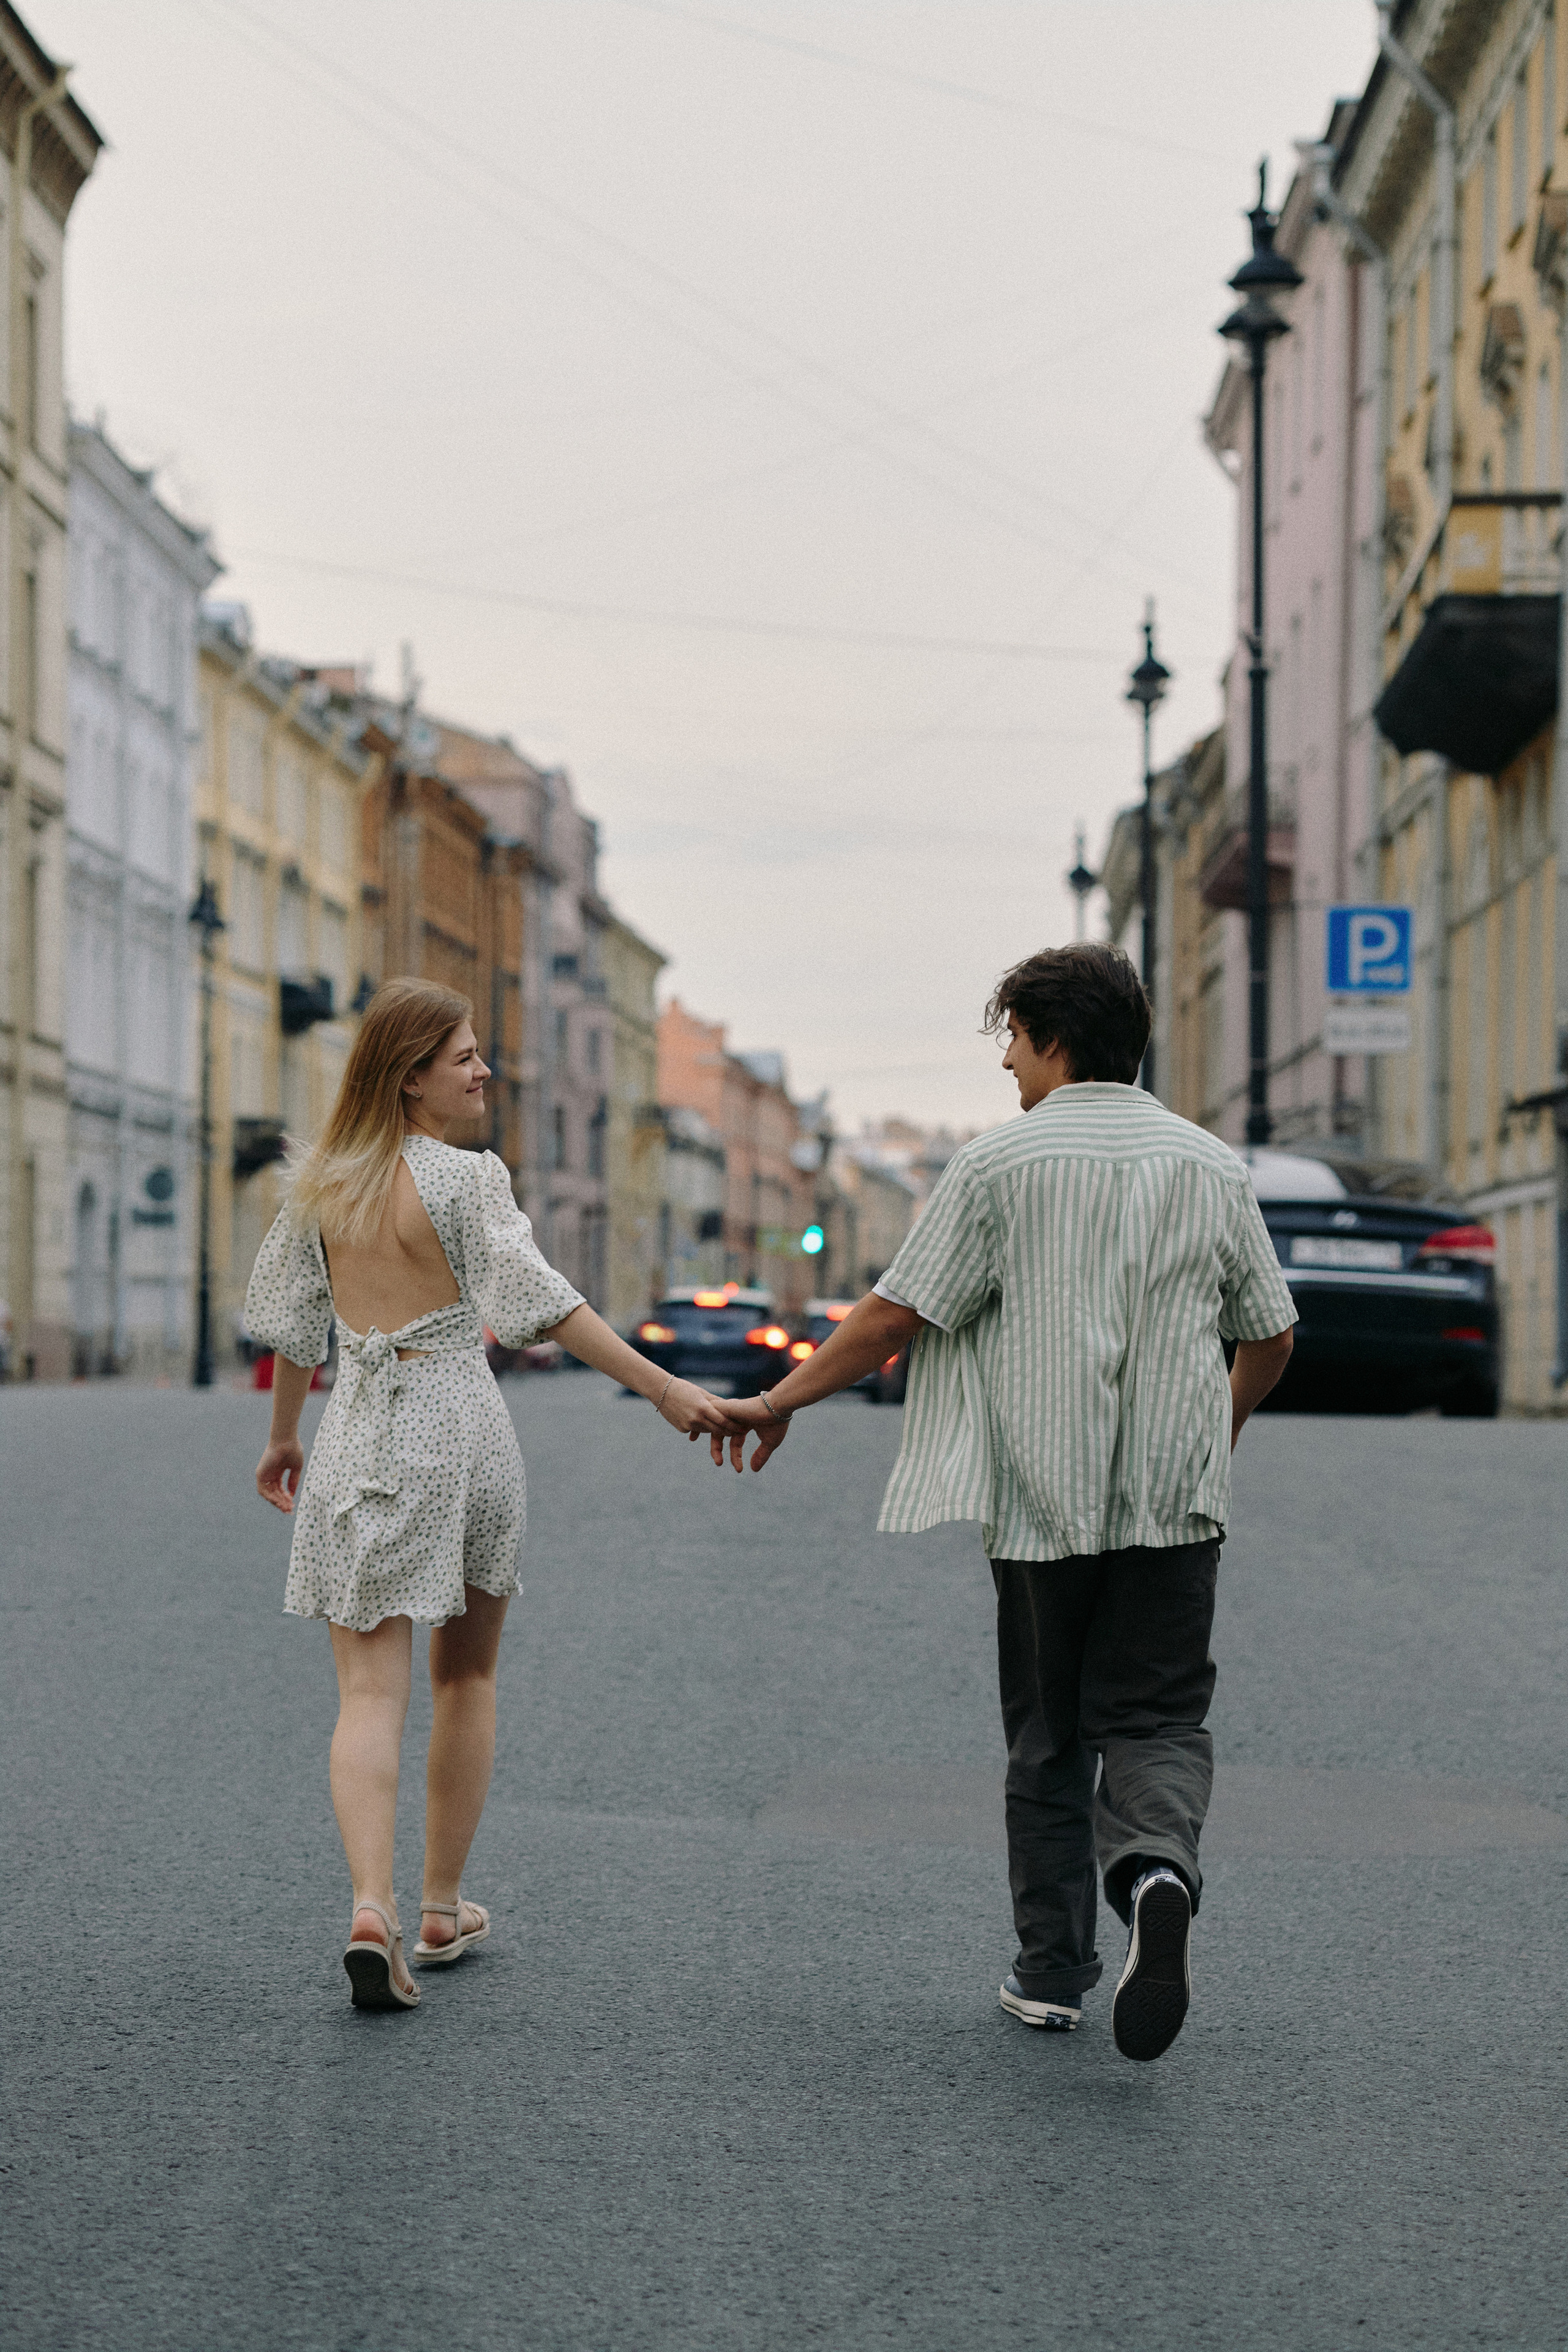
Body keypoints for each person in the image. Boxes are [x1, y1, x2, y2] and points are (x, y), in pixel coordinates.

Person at [713, 943, 1297, 2063]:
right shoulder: (1210, 1165)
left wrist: (781, 1399)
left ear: (1056, 1041)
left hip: (1043, 1496)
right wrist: (1214, 1430)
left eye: (1014, 1046)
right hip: (1176, 1500)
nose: (1008, 1071)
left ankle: (1051, 1970)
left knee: (1048, 1732)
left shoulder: (998, 1165)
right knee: (1160, 1715)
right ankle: (1158, 1874)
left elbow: (895, 1317)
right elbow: (1269, 1335)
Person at [247, 978, 733, 2011]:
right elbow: (544, 1305)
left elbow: (294, 1327)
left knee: (367, 1694)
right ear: (410, 1077)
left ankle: (370, 1906)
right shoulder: (467, 1181)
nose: (484, 1070)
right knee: (464, 1679)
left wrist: (285, 1438)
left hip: (357, 1437)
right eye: (464, 1056)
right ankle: (438, 1902)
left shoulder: (321, 1184)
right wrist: (659, 1388)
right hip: (460, 1433)